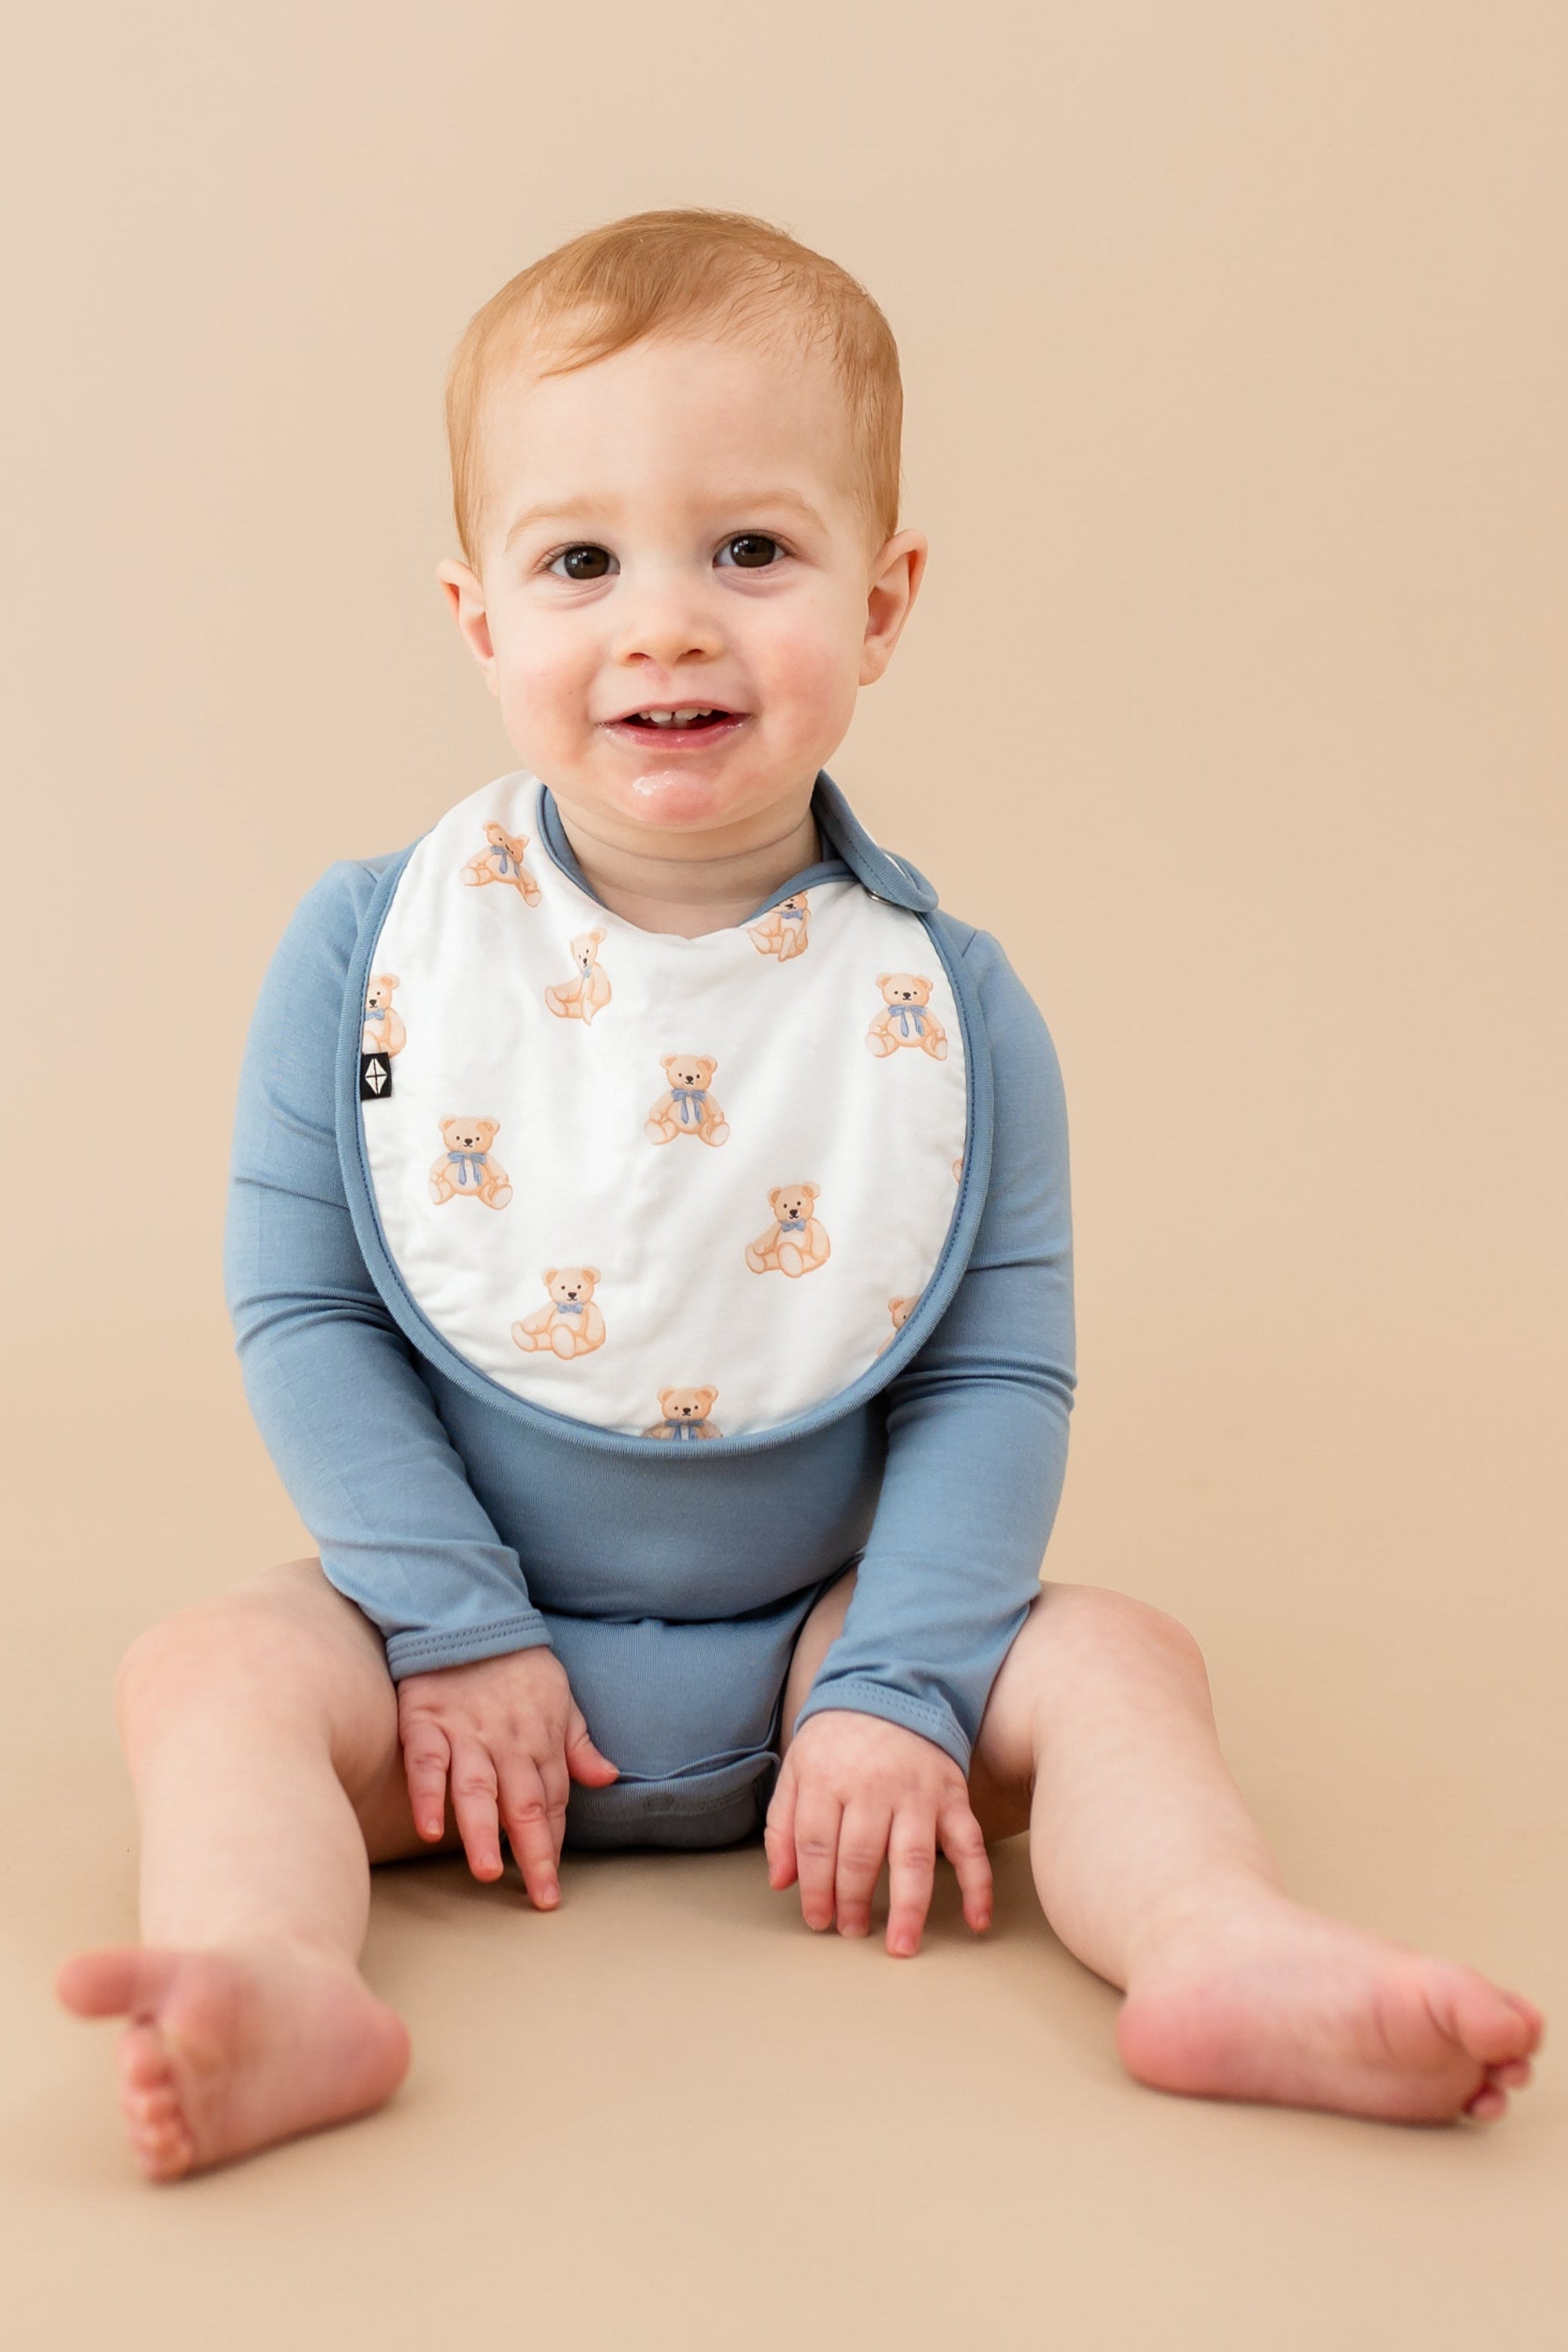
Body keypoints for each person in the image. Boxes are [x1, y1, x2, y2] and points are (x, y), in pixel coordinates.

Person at [57, 209, 1542, 2180]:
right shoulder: (373, 952)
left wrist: (905, 1684)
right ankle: (273, 1978)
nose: (665, 620)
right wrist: (443, 1623)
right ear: (478, 616)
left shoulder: (949, 1006)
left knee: (1116, 1664)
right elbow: (308, 1315)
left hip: (832, 1654)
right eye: (581, 561)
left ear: (885, 598)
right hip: (447, 1671)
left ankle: (1213, 1945)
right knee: (215, 1672)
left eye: (750, 550)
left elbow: (992, 1385)